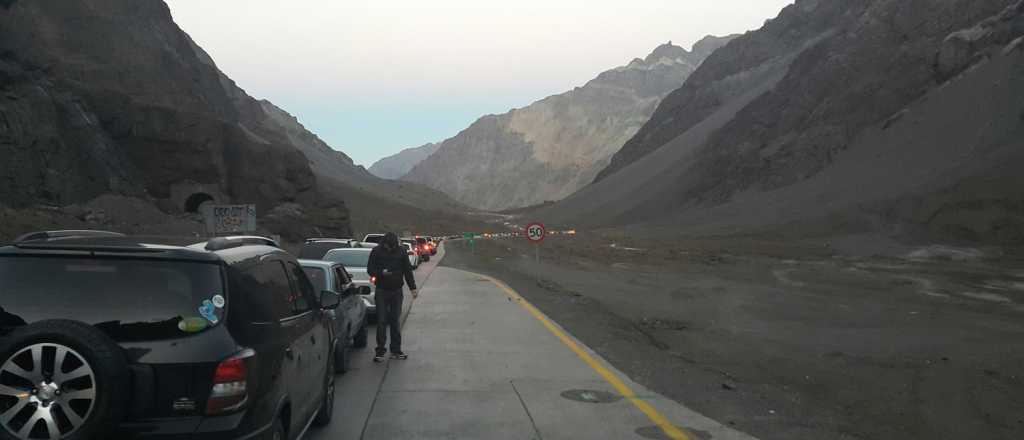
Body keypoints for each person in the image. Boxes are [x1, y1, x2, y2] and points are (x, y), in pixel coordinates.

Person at [366, 232, 418, 362]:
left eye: (392, 246)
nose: (390, 248)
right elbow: (370, 270)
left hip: (397, 291)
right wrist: (381, 273)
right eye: (388, 246)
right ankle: (380, 351)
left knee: (395, 321)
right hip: (381, 290)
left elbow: (407, 270)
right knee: (382, 321)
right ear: (384, 244)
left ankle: (396, 350)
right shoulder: (376, 251)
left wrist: (413, 288)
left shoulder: (401, 251)